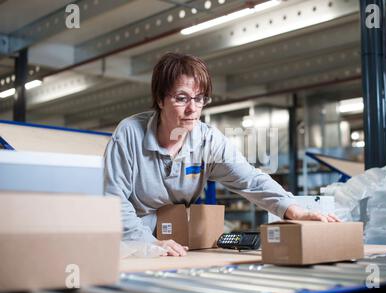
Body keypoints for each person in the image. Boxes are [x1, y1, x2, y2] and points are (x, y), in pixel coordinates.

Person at [104, 52, 340, 257]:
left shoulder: (208, 141)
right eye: (181, 98)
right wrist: (150, 245)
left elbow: (250, 180)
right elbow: (114, 200)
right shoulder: (129, 134)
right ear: (160, 99)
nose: (192, 109)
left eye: (199, 99)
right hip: (127, 242)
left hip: (174, 240)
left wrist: (293, 209)